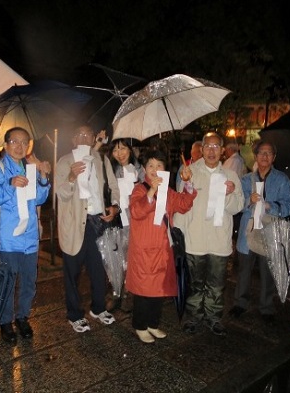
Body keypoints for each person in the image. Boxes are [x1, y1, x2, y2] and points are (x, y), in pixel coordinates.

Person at [0, 127, 51, 343]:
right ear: (6, 145)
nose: (20, 146)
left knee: (29, 282)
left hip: (29, 238)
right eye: (15, 141)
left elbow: (39, 199)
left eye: (24, 142)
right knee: (7, 282)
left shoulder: (29, 167)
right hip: (8, 238)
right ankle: (5, 321)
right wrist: (9, 184)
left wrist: (42, 177)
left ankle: (22, 317)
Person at [174, 132, 244, 336]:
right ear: (201, 149)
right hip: (195, 239)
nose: (212, 151)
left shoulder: (230, 176)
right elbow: (181, 206)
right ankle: (194, 317)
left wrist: (230, 194)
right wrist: (180, 236)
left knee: (216, 284)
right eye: (208, 146)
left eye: (216, 147)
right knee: (195, 283)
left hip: (219, 240)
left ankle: (213, 317)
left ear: (222, 150)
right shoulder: (189, 173)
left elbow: (238, 206)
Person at [55, 125, 120, 333]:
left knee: (98, 269)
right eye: (80, 134)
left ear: (93, 139)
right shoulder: (65, 161)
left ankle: (98, 308)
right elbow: (61, 195)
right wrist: (72, 177)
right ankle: (74, 314)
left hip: (98, 222)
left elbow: (114, 186)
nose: (84, 138)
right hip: (74, 224)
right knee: (72, 272)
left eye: (88, 135)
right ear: (74, 139)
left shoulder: (102, 159)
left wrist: (115, 207)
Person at [127, 149, 197, 343]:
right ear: (144, 169)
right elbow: (136, 210)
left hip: (163, 249)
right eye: (150, 165)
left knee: (159, 289)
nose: (155, 169)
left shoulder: (168, 191)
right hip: (143, 249)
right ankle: (140, 325)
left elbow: (183, 204)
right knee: (143, 290)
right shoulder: (139, 189)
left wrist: (188, 182)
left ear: (165, 169)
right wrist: (151, 191)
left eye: (159, 166)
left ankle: (152, 324)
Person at [229, 140, 290, 325]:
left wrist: (270, 206)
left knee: (267, 271)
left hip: (269, 231)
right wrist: (249, 201)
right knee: (243, 270)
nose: (264, 156)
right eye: (261, 153)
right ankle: (240, 303)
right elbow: (237, 206)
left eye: (269, 153)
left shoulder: (282, 179)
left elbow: (289, 206)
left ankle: (266, 307)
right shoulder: (245, 179)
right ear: (256, 156)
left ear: (274, 157)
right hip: (248, 231)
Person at [105, 137, 144, 311]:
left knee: (131, 258)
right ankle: (116, 293)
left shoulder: (139, 169)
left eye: (123, 149)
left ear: (130, 149)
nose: (119, 153)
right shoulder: (109, 170)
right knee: (115, 258)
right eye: (115, 150)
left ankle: (129, 292)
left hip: (135, 220)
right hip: (115, 219)